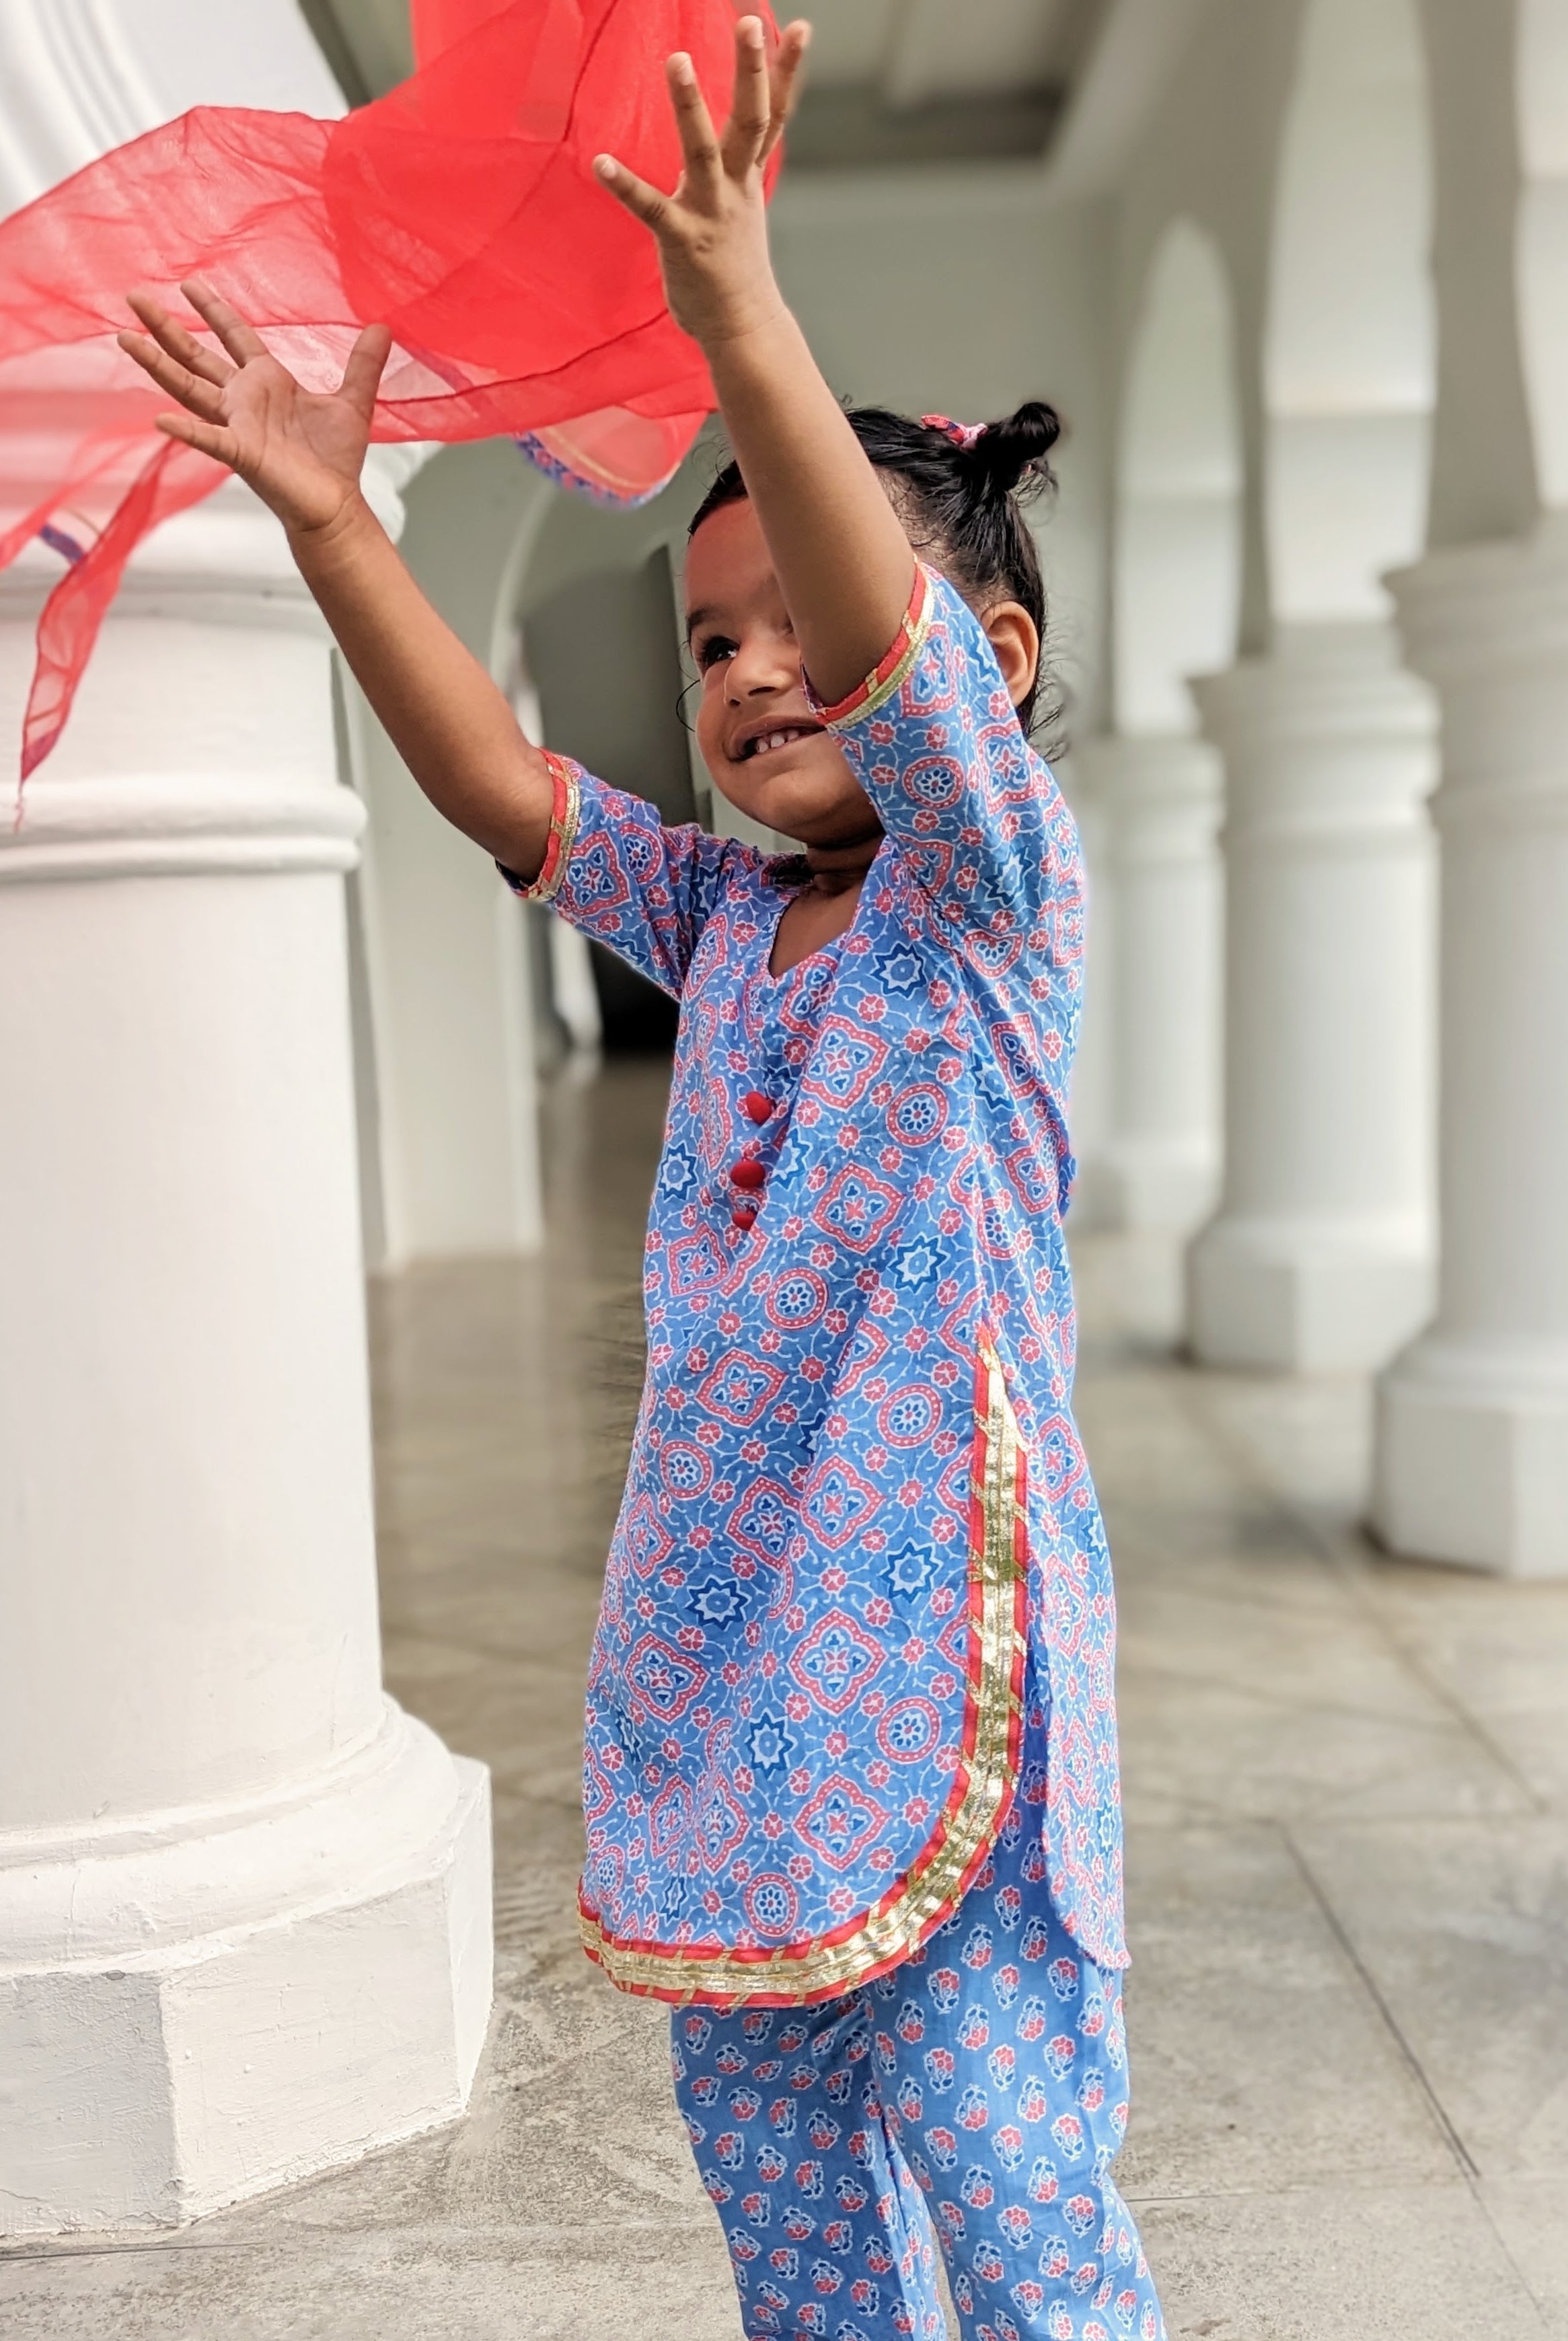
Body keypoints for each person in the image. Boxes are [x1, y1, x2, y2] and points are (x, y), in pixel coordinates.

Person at [119, 20, 1164, 2341]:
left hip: (943, 1703)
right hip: (721, 1671)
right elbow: (502, 785)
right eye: (709, 643)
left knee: (1015, 2219)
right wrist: (325, 525)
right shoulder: (714, 923)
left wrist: (736, 317)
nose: (753, 668)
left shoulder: (982, 893)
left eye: (800, 616)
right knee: (781, 2211)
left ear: (979, 667)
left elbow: (885, 655)